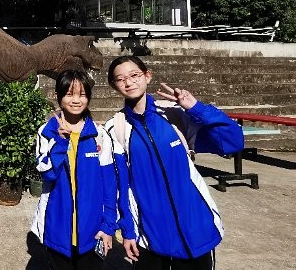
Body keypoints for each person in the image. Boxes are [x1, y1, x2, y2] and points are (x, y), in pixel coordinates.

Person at [105, 55, 244, 269]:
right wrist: (128, 231)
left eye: (134, 75)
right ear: (114, 86)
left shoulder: (174, 114)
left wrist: (196, 108)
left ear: (147, 76)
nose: (129, 82)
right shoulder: (115, 128)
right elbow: (120, 186)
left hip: (195, 229)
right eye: (121, 79)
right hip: (150, 236)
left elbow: (232, 141)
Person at [30, 69, 117, 270]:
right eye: (69, 94)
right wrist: (60, 143)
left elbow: (109, 184)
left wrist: (108, 225)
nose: (76, 100)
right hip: (57, 228)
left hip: (92, 231)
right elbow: (47, 174)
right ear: (59, 97)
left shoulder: (99, 135)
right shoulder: (46, 132)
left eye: (82, 95)